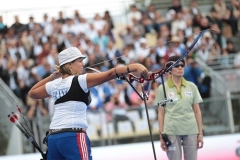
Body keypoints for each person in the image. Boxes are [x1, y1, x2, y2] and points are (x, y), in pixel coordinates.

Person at [28, 47, 148, 160]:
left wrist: (51, 77)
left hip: (54, 138)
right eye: (79, 61)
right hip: (73, 136)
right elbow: (110, 74)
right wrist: (134, 66)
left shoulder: (54, 84)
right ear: (70, 64)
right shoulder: (80, 80)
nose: (83, 64)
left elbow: (32, 92)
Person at [154, 55, 204, 160]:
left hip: (191, 130)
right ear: (169, 69)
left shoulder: (192, 86)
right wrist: (161, 136)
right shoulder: (162, 88)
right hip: (171, 131)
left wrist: (200, 134)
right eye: (177, 65)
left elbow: (197, 112)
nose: (180, 68)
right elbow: (161, 113)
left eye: (182, 65)